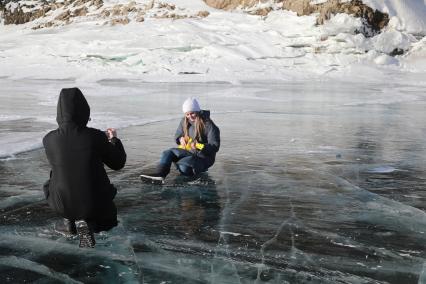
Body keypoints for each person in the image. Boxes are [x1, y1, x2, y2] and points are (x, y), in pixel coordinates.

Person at [43, 87, 126, 248]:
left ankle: (69, 222)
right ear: (84, 110)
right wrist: (114, 141)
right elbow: (118, 163)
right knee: (107, 219)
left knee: (58, 175)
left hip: (61, 203)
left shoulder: (49, 139)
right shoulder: (95, 136)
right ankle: (90, 223)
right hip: (95, 204)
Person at [140, 97, 220, 182]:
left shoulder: (209, 125)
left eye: (192, 113)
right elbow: (178, 135)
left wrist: (198, 145)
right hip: (188, 152)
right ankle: (160, 174)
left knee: (183, 168)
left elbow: (215, 146)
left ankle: (198, 170)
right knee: (168, 153)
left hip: (203, 157)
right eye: (187, 114)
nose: (190, 116)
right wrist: (180, 138)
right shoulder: (184, 121)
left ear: (197, 111)